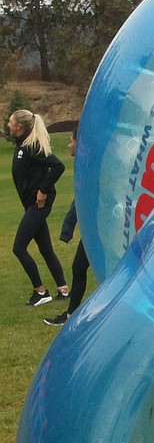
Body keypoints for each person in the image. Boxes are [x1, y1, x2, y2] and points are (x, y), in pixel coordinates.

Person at [8, 109, 68, 307]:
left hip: (38, 205)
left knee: (18, 248)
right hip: (30, 205)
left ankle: (41, 292)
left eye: (10, 122)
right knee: (45, 249)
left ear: (19, 126)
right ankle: (63, 290)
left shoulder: (32, 146)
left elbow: (58, 166)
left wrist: (43, 189)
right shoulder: (21, 145)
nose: (8, 124)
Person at [44, 129, 89, 326]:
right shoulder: (84, 165)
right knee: (79, 267)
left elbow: (80, 201)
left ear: (79, 143)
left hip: (98, 230)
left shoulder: (87, 166)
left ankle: (72, 315)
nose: (68, 145)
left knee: (80, 267)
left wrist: (67, 228)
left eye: (71, 141)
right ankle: (71, 314)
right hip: (94, 229)